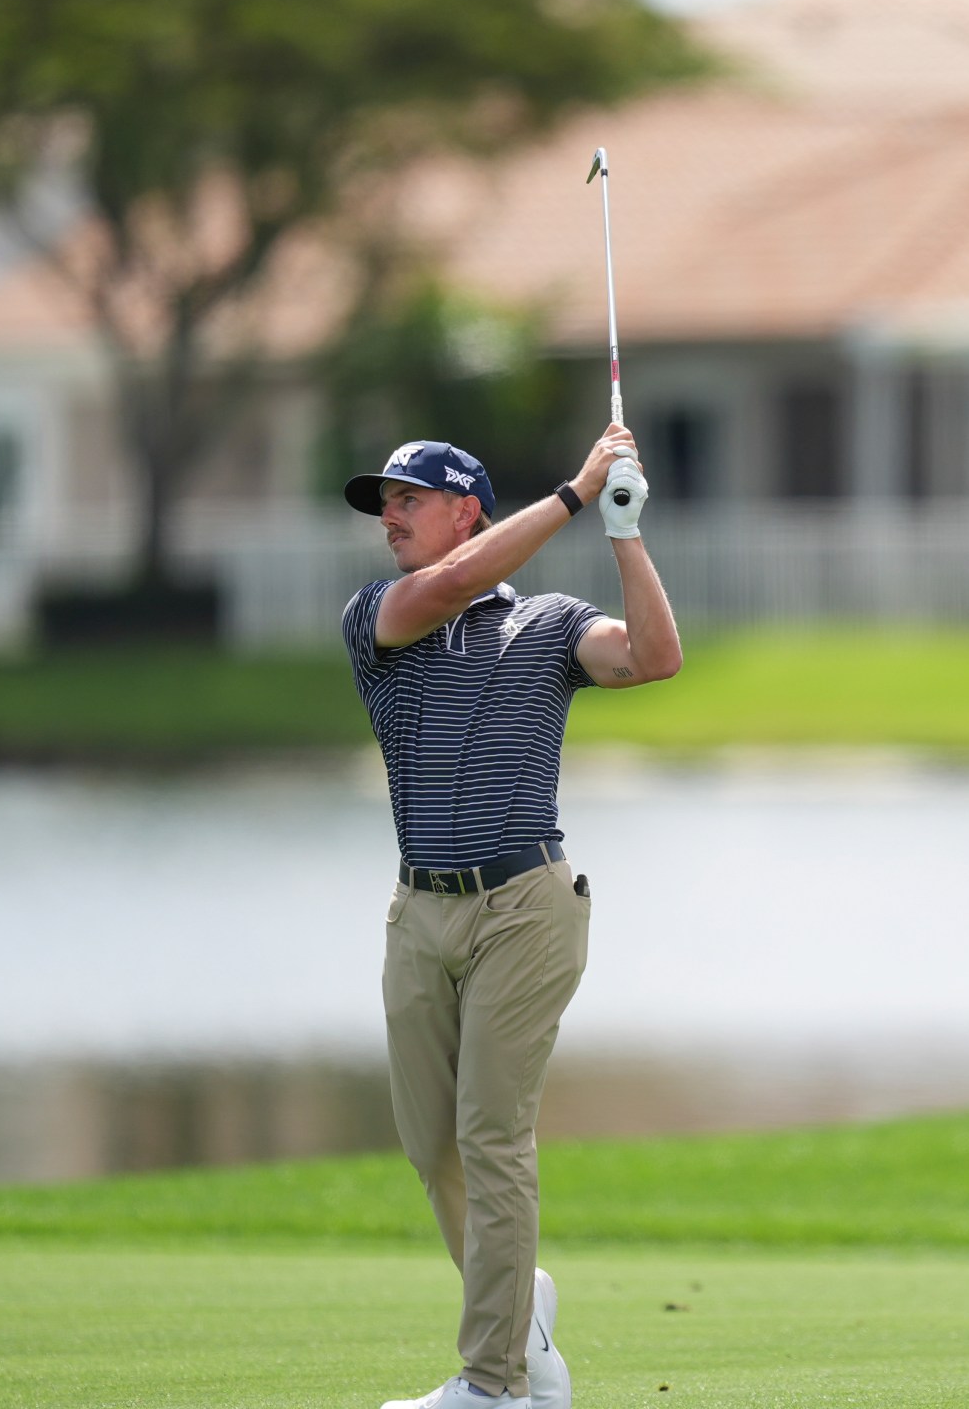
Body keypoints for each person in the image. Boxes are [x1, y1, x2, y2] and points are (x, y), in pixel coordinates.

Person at [342, 428, 679, 1409]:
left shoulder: (550, 623)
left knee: (491, 1135)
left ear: (467, 512)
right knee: (432, 1146)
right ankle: (522, 1309)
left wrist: (623, 530)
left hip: (526, 907)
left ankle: (495, 1386)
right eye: (384, 503)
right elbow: (448, 587)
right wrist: (574, 493)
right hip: (419, 912)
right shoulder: (378, 616)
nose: (389, 517)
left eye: (409, 499)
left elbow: (655, 657)